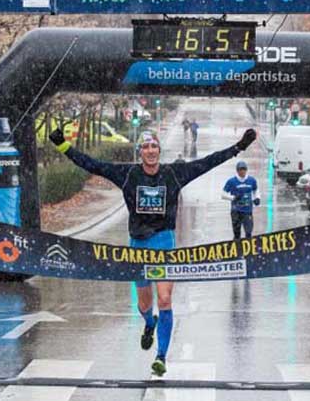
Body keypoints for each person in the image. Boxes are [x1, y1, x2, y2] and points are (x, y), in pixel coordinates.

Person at [51, 126, 257, 376]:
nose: (150, 151)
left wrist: (239, 147)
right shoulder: (128, 174)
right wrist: (62, 145)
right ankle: (150, 323)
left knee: (165, 299)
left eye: (154, 147)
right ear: (140, 152)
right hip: (138, 246)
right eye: (146, 147)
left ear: (159, 150)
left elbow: (208, 162)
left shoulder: (173, 174)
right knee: (144, 303)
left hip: (164, 242)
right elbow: (92, 165)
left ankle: (161, 357)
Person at [222, 160, 259, 238]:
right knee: (237, 234)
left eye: (244, 169)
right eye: (240, 170)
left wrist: (257, 198)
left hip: (247, 211)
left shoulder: (251, 180)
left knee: (248, 233)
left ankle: (248, 245)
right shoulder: (231, 181)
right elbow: (223, 194)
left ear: (246, 170)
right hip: (236, 211)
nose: (242, 172)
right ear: (237, 171)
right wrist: (233, 198)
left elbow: (255, 190)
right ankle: (237, 244)